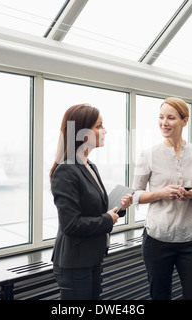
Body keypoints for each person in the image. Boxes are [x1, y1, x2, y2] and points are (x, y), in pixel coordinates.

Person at [132, 97, 192, 300]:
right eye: (161, 117)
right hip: (157, 239)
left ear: (185, 121)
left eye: (170, 118)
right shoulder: (147, 154)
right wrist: (161, 193)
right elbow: (135, 194)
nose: (164, 123)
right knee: (160, 296)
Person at [49, 103, 133, 300]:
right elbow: (71, 224)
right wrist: (108, 219)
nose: (105, 131)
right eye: (99, 126)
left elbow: (95, 210)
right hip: (74, 263)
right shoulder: (66, 170)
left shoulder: (89, 166)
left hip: (91, 258)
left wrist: (119, 209)